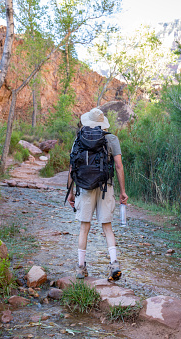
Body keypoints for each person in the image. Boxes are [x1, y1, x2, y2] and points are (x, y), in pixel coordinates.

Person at [67, 108, 128, 281]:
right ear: (103, 123)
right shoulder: (112, 139)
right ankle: (114, 264)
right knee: (107, 226)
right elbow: (119, 166)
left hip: (84, 187)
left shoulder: (79, 139)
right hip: (105, 187)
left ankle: (80, 267)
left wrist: (70, 192)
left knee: (84, 227)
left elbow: (72, 167)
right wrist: (123, 191)